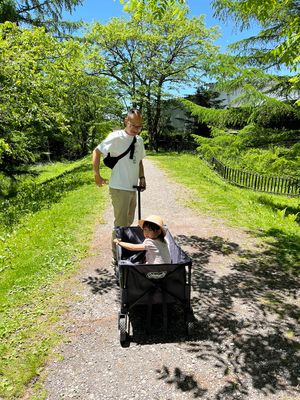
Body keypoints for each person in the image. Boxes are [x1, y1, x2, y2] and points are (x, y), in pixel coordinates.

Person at [92, 109, 146, 265]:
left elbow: (139, 160)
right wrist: (97, 174)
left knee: (128, 222)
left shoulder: (139, 140)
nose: (136, 129)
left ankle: (124, 249)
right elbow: (96, 151)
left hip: (132, 187)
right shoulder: (115, 137)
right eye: (133, 125)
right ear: (125, 121)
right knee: (120, 224)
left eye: (139, 126)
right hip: (119, 187)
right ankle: (117, 257)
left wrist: (142, 177)